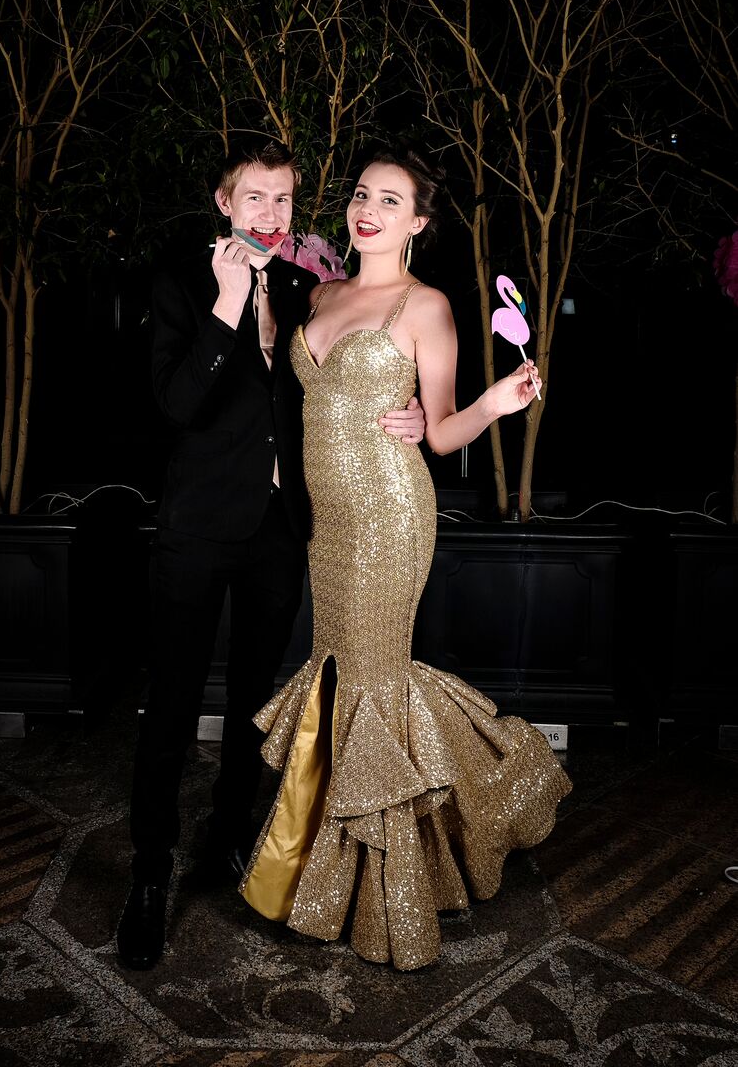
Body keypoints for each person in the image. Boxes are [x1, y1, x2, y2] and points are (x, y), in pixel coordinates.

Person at [239, 144, 572, 971]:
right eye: (361, 195)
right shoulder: (322, 292)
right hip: (325, 522)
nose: (368, 210)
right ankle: (313, 873)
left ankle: (383, 895)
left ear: (418, 222)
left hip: (390, 514)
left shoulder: (424, 306)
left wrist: (492, 403)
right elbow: (287, 392)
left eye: (390, 201)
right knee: (337, 675)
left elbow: (442, 431)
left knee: (372, 680)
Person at [115, 137, 426, 970]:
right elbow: (177, 404)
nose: (270, 213)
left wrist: (415, 417)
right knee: (172, 702)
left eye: (283, 199)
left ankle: (228, 835)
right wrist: (225, 306)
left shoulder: (301, 290)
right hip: (196, 529)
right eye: (254, 197)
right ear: (225, 202)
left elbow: (337, 391)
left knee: (258, 701)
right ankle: (149, 873)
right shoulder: (179, 285)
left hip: (280, 533)